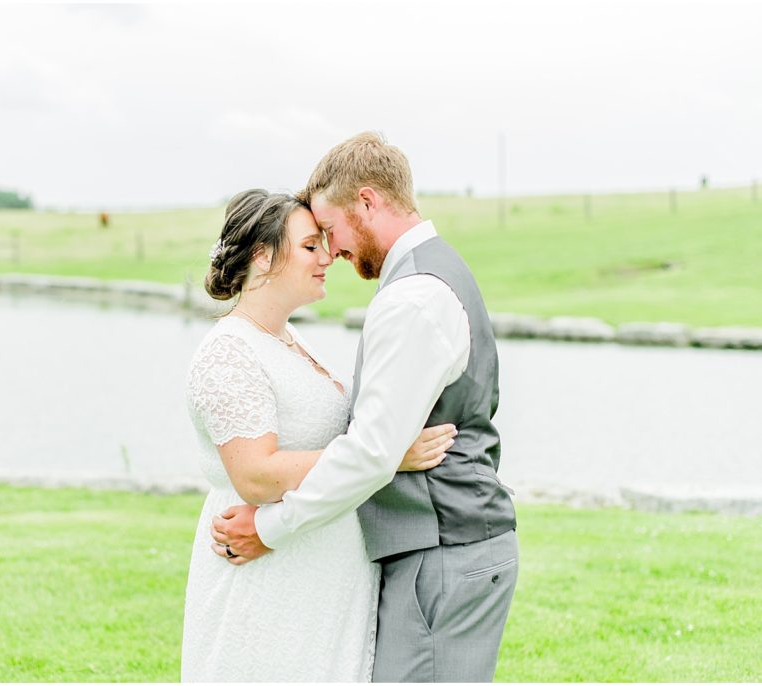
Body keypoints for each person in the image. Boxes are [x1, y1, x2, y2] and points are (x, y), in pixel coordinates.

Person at [211, 133, 519, 682]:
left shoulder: (411, 298)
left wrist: (271, 528)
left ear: (368, 202)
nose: (332, 252)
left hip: (443, 551)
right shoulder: (431, 273)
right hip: (446, 547)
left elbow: (372, 453)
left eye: (329, 231)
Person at [182, 188, 456, 682]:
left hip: (318, 585)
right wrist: (386, 455)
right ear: (263, 257)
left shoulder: (289, 339)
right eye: (311, 246)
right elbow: (257, 477)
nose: (328, 256)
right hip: (268, 589)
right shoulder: (229, 353)